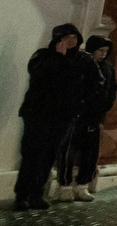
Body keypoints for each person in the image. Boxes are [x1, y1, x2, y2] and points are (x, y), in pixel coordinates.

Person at [14, 25, 87, 213]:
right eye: (66, 37)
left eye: (74, 37)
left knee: (48, 155)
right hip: (38, 114)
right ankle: (22, 195)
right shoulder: (43, 56)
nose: (70, 41)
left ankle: (37, 194)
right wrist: (58, 58)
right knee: (31, 154)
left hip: (62, 117)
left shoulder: (79, 61)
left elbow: (76, 84)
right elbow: (40, 77)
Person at [54, 36, 114, 202]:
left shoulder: (107, 68)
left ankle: (82, 185)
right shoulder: (81, 64)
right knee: (68, 151)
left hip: (94, 117)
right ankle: (64, 185)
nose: (103, 54)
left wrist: (103, 109)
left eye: (105, 52)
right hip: (77, 115)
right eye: (100, 50)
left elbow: (110, 91)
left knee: (90, 153)